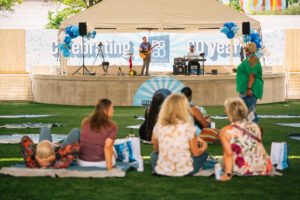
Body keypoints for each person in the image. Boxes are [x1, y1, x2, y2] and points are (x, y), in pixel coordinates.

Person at [150, 94, 208, 176]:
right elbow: (196, 153)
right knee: (204, 153)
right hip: (186, 171)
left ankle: (162, 169)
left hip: (163, 171)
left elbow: (156, 148)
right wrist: (204, 147)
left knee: (153, 155)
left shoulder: (159, 125)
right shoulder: (189, 126)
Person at [219, 97, 272, 181]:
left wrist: (228, 174)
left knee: (221, 161)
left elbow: (228, 155)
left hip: (242, 168)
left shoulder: (225, 131)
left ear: (228, 113)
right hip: (263, 166)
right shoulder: (255, 126)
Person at [78, 99, 118, 170]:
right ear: (105, 111)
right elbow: (107, 147)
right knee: (113, 149)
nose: (113, 111)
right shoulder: (112, 126)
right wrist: (110, 167)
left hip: (82, 162)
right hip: (101, 163)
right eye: (112, 108)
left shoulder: (85, 122)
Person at [236, 42, 263, 122]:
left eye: (246, 49)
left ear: (248, 50)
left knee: (250, 112)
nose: (245, 50)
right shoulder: (250, 59)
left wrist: (249, 88)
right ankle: (250, 129)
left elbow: (252, 74)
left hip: (249, 89)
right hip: (246, 88)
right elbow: (248, 71)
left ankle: (253, 129)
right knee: (246, 111)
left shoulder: (252, 59)